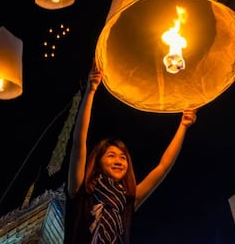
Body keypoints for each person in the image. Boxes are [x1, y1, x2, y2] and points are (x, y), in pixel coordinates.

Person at [63, 59, 197, 244]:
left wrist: (184, 126)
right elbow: (79, 143)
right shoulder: (81, 191)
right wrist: (91, 90)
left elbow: (163, 168)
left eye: (123, 157)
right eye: (111, 155)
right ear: (98, 162)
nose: (119, 161)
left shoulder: (127, 202)